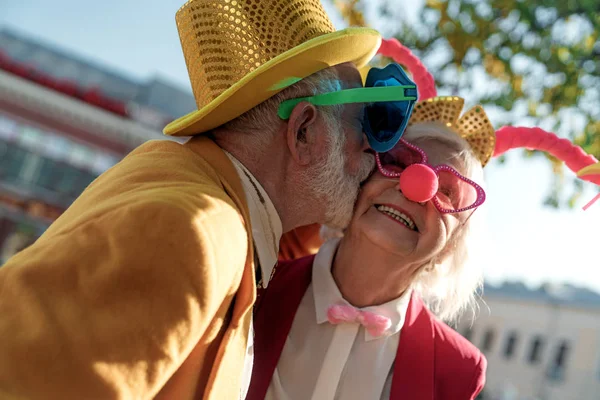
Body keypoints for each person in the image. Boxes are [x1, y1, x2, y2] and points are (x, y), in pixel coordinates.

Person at [0, 1, 422, 399]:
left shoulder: (197, 201)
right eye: (361, 123)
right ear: (304, 131)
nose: (374, 150)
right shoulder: (192, 231)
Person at [248, 113, 489, 400]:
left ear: (452, 244)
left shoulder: (459, 370)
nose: (414, 188)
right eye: (397, 162)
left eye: (447, 192)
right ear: (359, 179)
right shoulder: (252, 284)